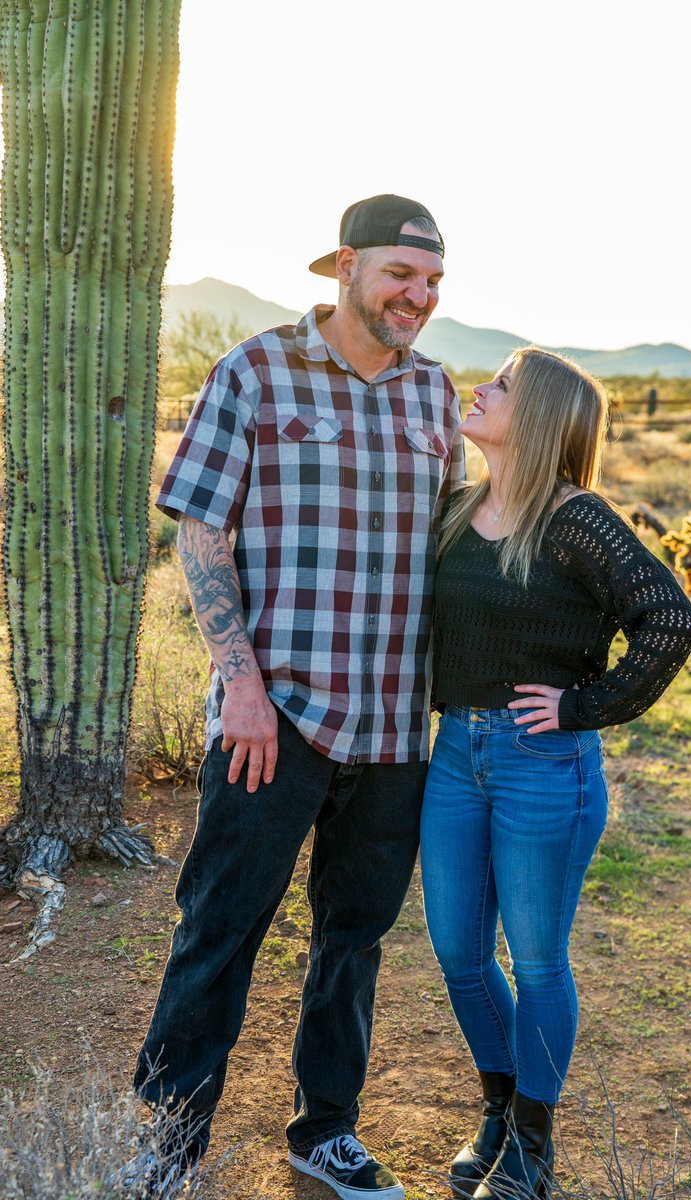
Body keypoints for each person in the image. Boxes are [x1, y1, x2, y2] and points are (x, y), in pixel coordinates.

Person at [130, 194, 466, 1200]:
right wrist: (237, 684)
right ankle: (166, 1139)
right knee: (219, 925)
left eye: (434, 281)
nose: (419, 295)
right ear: (346, 267)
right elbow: (200, 531)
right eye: (402, 274)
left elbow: (451, 548)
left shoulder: (433, 394)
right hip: (271, 723)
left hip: (397, 728)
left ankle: (325, 1132)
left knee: (352, 940)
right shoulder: (256, 371)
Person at [420, 347, 691, 1200]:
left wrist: (581, 709)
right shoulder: (458, 506)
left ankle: (531, 1151)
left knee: (537, 960)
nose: (480, 389)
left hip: (543, 761)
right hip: (455, 759)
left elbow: (669, 619)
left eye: (499, 385)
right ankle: (500, 1111)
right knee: (460, 954)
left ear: (535, 415)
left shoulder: (577, 519)